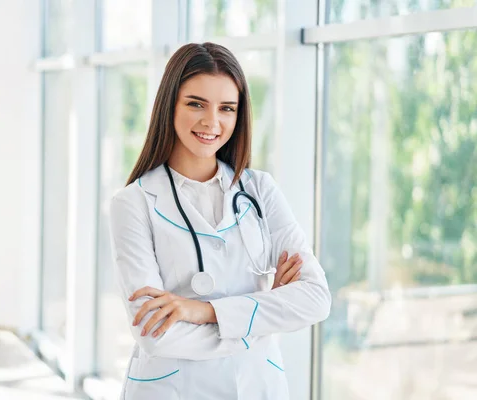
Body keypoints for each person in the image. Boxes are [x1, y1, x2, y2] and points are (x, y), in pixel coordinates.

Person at [109, 42, 331, 400]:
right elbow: (156, 333)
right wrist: (266, 313)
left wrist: (203, 311)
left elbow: (316, 298)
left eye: (227, 108)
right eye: (196, 103)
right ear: (170, 105)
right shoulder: (132, 204)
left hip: (255, 386)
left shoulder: (260, 190)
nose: (212, 121)